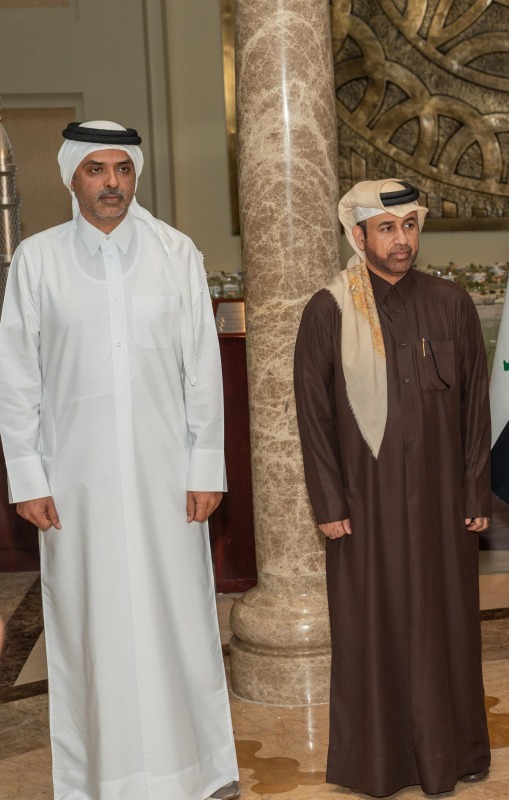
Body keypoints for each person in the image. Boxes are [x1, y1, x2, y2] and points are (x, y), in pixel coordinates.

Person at [0, 121, 239, 800]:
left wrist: (205, 469)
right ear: (72, 176)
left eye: (122, 170)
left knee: (178, 619)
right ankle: (97, 778)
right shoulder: (38, 261)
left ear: (136, 175)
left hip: (169, 480)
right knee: (88, 626)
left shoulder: (176, 252)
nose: (111, 184)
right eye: (96, 171)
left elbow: (202, 369)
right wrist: (28, 477)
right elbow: (16, 376)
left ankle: (197, 770)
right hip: (75, 485)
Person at [293, 179, 492, 796]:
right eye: (387, 227)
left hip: (440, 502)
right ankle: (375, 764)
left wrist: (475, 494)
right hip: (364, 502)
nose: (402, 239)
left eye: (409, 225)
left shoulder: (452, 303)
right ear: (358, 236)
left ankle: (449, 756)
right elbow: (313, 417)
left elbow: (475, 410)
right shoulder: (328, 310)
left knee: (444, 624)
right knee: (370, 627)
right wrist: (328, 504)